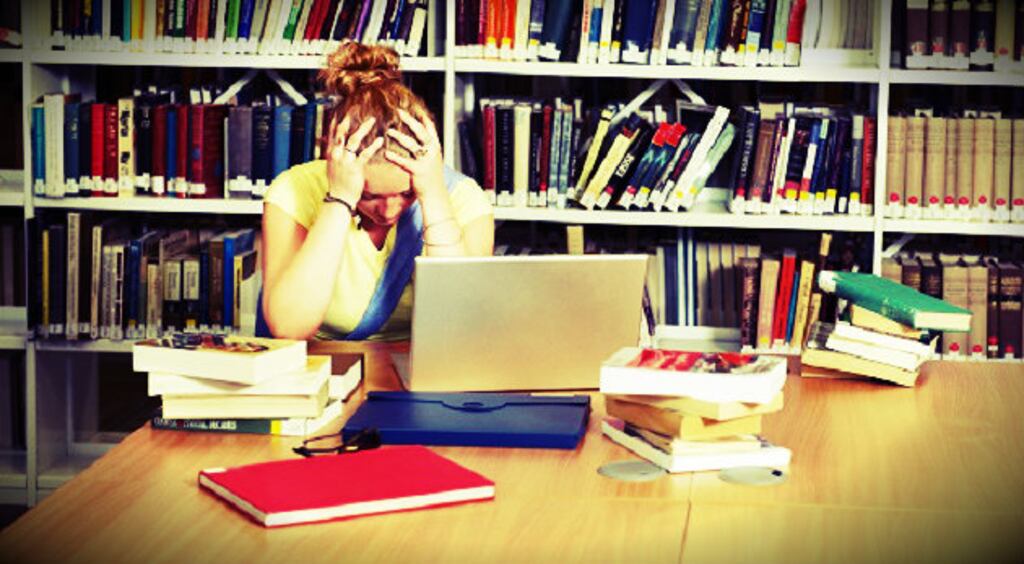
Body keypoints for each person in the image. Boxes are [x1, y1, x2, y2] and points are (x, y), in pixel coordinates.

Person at [261, 43, 494, 341]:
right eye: (368, 195)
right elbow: (289, 327)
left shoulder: (464, 199)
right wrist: (340, 199)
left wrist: (433, 195)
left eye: (406, 193)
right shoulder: (293, 190)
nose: (389, 211)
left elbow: (460, 327)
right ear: (336, 161)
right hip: (325, 367)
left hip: (424, 368)